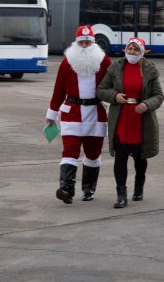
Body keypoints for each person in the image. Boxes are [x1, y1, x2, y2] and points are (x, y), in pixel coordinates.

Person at [46, 25, 112, 204]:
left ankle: (88, 189)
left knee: (92, 153)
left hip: (95, 114)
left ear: (93, 43)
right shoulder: (67, 62)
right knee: (69, 151)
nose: (84, 46)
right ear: (76, 44)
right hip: (72, 112)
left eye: (88, 42)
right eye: (81, 43)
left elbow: (112, 87)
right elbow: (59, 90)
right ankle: (66, 189)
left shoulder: (104, 62)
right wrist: (52, 113)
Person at [96, 38, 164, 208]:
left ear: (141, 52)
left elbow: (159, 95)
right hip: (122, 118)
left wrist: (147, 105)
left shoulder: (150, 69)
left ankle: (139, 187)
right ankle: (121, 195)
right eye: (129, 49)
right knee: (120, 157)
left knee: (140, 159)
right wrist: (115, 96)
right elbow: (101, 90)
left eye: (135, 50)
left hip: (141, 119)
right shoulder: (116, 67)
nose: (131, 53)